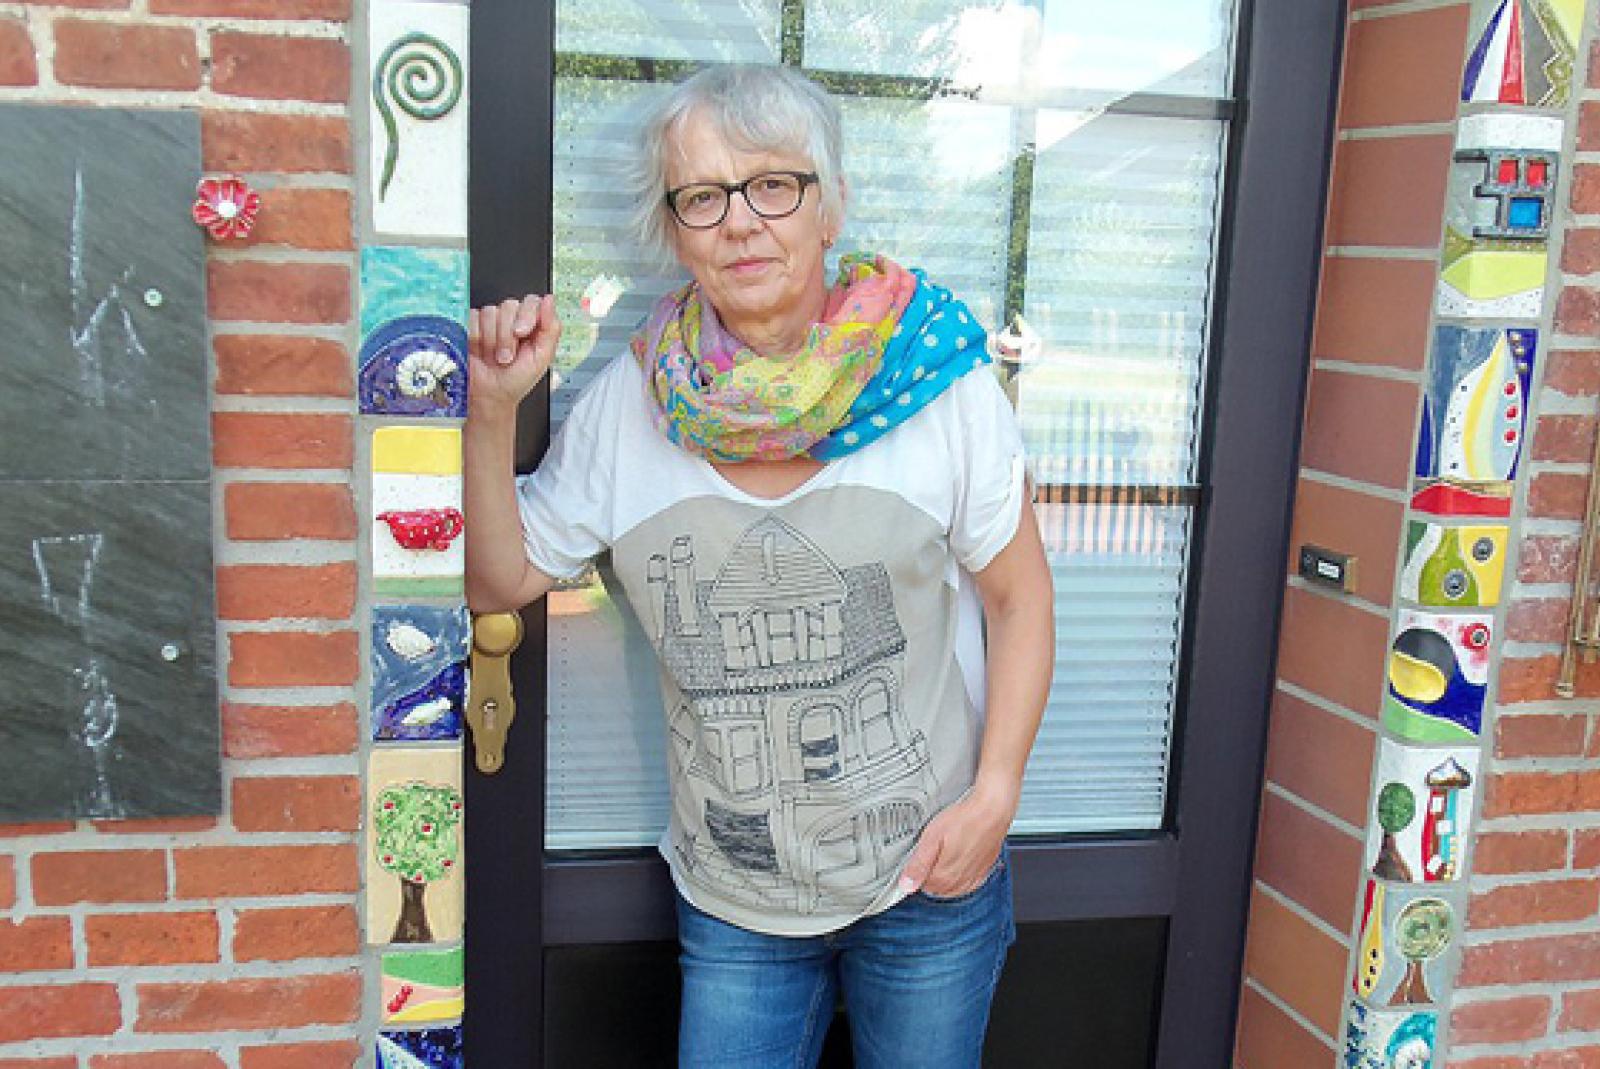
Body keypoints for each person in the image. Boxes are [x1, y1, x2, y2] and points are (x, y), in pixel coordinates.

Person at [464, 63, 1054, 1069]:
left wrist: (994, 796)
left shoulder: (936, 386)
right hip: (736, 902)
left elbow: (1018, 596)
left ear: (830, 207)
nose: (740, 222)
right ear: (675, 231)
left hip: (927, 880)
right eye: (702, 196)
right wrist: (490, 410)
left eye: (773, 185)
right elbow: (499, 580)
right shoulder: (632, 407)